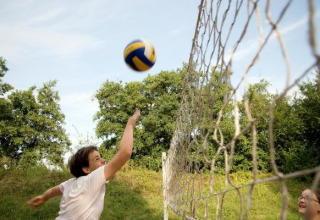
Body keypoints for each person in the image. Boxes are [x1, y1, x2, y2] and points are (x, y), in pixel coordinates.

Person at [27, 109, 141, 219]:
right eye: (97, 159)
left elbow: (52, 191)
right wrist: (131, 123)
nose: (103, 160)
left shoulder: (70, 184)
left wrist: (43, 197)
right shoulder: (91, 179)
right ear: (86, 169)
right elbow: (125, 152)